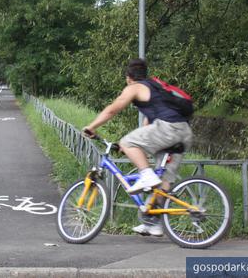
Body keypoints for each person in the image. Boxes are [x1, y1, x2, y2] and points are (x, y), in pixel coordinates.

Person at [82, 58, 193, 237]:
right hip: (184, 132)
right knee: (163, 182)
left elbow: (112, 109)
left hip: (168, 128)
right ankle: (153, 222)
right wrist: (134, 146)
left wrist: (92, 127)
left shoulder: (134, 87)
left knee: (127, 142)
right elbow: (147, 127)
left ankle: (146, 176)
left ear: (128, 77)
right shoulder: (155, 87)